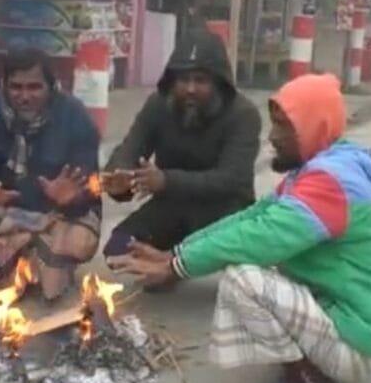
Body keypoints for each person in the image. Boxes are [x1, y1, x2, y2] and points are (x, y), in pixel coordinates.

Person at [108, 73, 371, 383]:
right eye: (275, 124)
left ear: (315, 127)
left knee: (245, 279)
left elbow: (259, 237)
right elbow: (255, 215)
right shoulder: (322, 168)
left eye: (285, 127)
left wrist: (177, 265)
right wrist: (178, 254)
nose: (274, 138)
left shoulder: (330, 182)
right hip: (348, 315)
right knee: (255, 265)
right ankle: (313, 362)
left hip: (359, 334)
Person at [100, 29, 262, 280]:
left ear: (218, 83)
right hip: (172, 205)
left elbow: (231, 179)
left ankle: (172, 266)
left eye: (200, 80)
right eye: (183, 80)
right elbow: (129, 149)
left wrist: (166, 181)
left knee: (241, 268)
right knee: (118, 248)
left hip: (224, 210)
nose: (190, 89)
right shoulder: (158, 105)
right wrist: (120, 178)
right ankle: (170, 261)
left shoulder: (243, 114)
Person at [0, 48, 102, 302]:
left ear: (52, 87)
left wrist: (69, 197)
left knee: (78, 242)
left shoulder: (76, 116)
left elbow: (91, 188)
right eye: (16, 87)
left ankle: (27, 259)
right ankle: (23, 259)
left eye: (34, 88)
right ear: (4, 86)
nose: (24, 96)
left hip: (57, 216)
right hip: (2, 214)